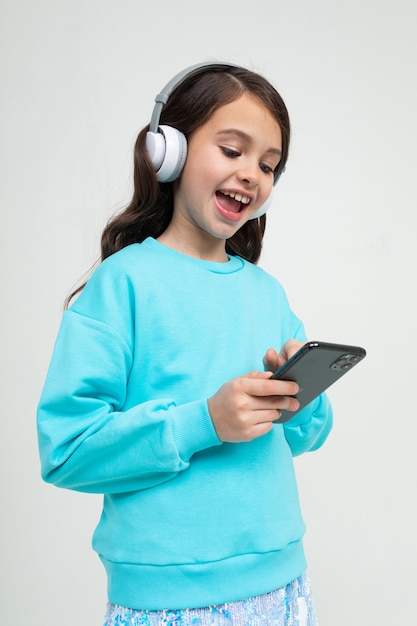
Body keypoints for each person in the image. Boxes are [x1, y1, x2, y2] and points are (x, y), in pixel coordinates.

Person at [37, 61, 333, 626]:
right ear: (166, 151)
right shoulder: (123, 285)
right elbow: (66, 450)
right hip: (168, 603)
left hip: (285, 588)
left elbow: (301, 438)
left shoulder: (267, 294)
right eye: (232, 150)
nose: (252, 174)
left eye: (268, 165)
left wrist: (304, 398)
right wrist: (205, 422)